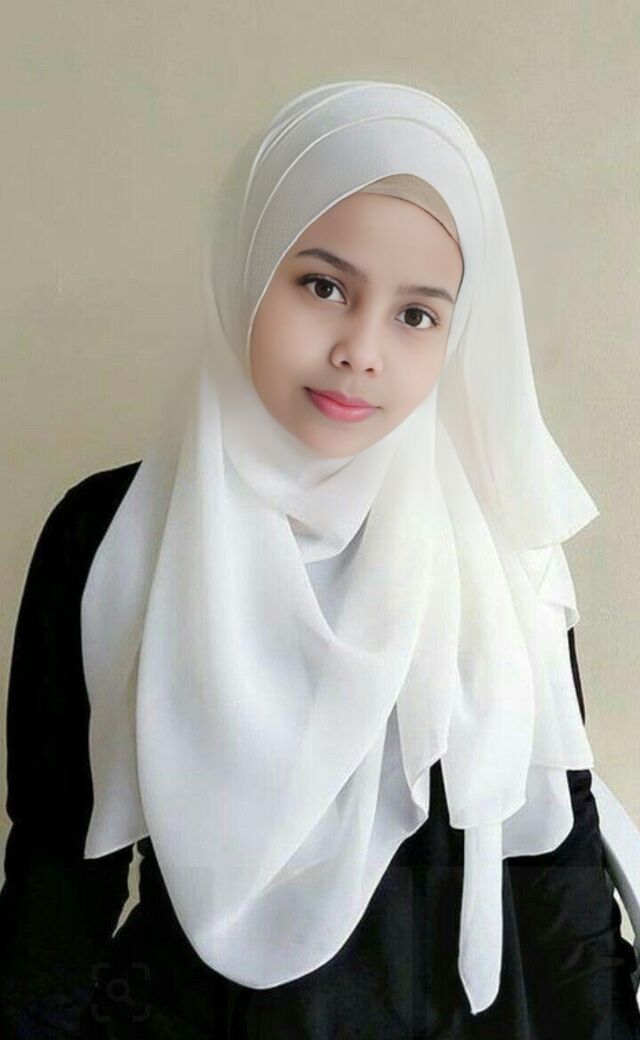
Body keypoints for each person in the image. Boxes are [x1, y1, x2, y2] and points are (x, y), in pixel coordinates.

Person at [1, 79, 639, 1039]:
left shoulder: (500, 553)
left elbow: (561, 885)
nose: (360, 351)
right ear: (247, 267)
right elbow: (58, 884)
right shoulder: (113, 536)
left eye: (416, 315)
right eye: (324, 286)